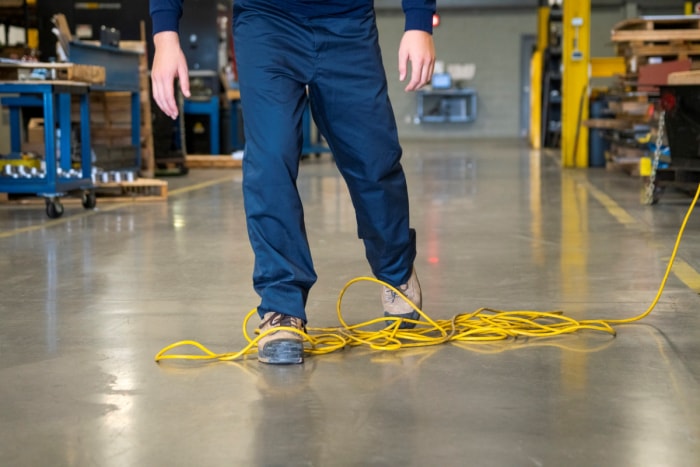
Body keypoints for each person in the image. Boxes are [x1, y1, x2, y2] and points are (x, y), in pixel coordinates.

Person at [149, 0, 436, 365]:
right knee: (270, 160)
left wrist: (419, 20)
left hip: (348, 21)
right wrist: (165, 33)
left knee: (374, 159)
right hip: (266, 20)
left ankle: (396, 273)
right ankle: (282, 306)